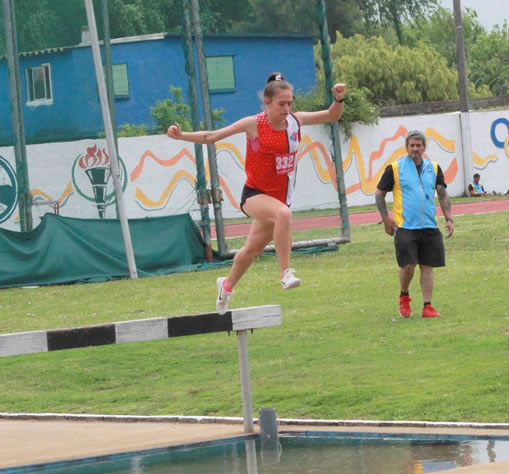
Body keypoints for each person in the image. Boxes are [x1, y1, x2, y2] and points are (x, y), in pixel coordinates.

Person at [168, 73, 347, 314]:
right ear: (267, 102)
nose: (287, 108)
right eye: (281, 104)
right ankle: (285, 273)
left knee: (251, 251)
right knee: (283, 214)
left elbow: (332, 116)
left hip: (279, 198)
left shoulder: (296, 121)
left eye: (290, 103)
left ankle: (226, 287)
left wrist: (338, 98)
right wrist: (181, 136)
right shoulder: (254, 124)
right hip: (254, 195)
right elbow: (211, 136)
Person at [375, 130, 454, 318]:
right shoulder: (394, 168)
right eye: (412, 145)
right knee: (408, 265)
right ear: (406, 147)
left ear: (424, 147)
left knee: (427, 266)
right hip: (405, 227)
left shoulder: (434, 168)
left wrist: (449, 218)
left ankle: (427, 306)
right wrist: (386, 217)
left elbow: (442, 194)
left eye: (419, 145)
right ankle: (404, 295)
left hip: (429, 226)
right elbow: (379, 194)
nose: (415, 149)